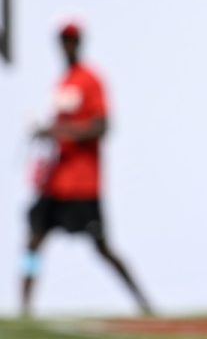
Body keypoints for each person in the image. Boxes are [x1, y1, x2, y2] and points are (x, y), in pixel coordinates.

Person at [21, 21, 152, 317]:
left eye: (72, 40)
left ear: (79, 43)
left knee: (103, 248)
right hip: (56, 182)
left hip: (82, 183)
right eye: (63, 40)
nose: (67, 45)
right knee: (33, 241)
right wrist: (46, 133)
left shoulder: (91, 80)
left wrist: (62, 132)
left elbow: (102, 126)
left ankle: (143, 303)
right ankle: (24, 310)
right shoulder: (63, 81)